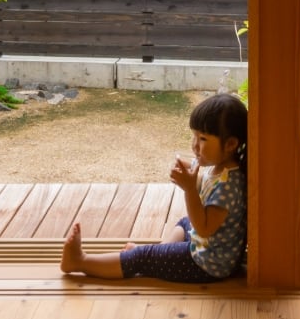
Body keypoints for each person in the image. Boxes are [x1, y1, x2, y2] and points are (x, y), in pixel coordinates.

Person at [61, 93, 248, 282]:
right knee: (184, 223)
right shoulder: (222, 169)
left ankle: (80, 261)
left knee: (139, 258)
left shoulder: (228, 185)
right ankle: (159, 256)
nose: (194, 145)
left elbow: (204, 228)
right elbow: (207, 187)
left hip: (207, 264)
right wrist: (192, 178)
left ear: (230, 144)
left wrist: (190, 189)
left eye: (203, 139)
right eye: (194, 136)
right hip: (209, 250)